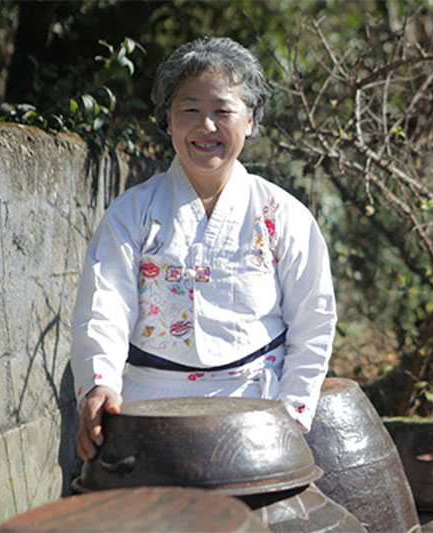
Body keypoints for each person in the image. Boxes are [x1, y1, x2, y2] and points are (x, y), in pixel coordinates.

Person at [70, 37, 336, 462]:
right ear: (169, 122)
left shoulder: (282, 214)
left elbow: (313, 319)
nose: (206, 126)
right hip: (147, 410)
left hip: (256, 410)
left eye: (223, 111)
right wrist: (101, 384)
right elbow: (103, 309)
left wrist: (293, 414)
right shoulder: (133, 212)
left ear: (250, 120)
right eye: (189, 110)